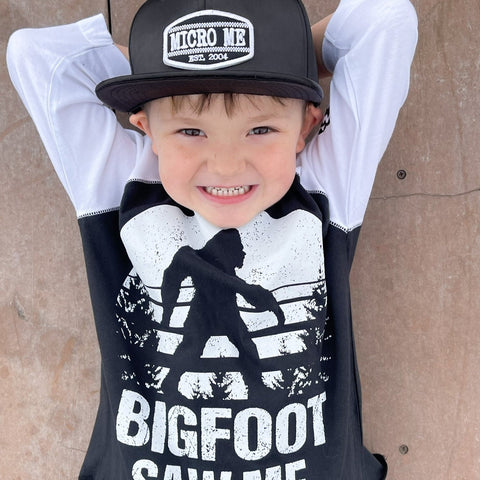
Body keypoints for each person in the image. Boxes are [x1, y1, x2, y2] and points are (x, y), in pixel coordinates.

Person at [6, 0, 418, 478]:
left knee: (244, 355)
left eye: (260, 128)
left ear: (305, 127)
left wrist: (280, 56)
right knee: (185, 361)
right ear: (146, 128)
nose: (225, 165)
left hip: (238, 333)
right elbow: (37, 55)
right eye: (190, 130)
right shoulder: (119, 186)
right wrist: (171, 64)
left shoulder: (325, 186)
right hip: (197, 339)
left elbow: (386, 21)